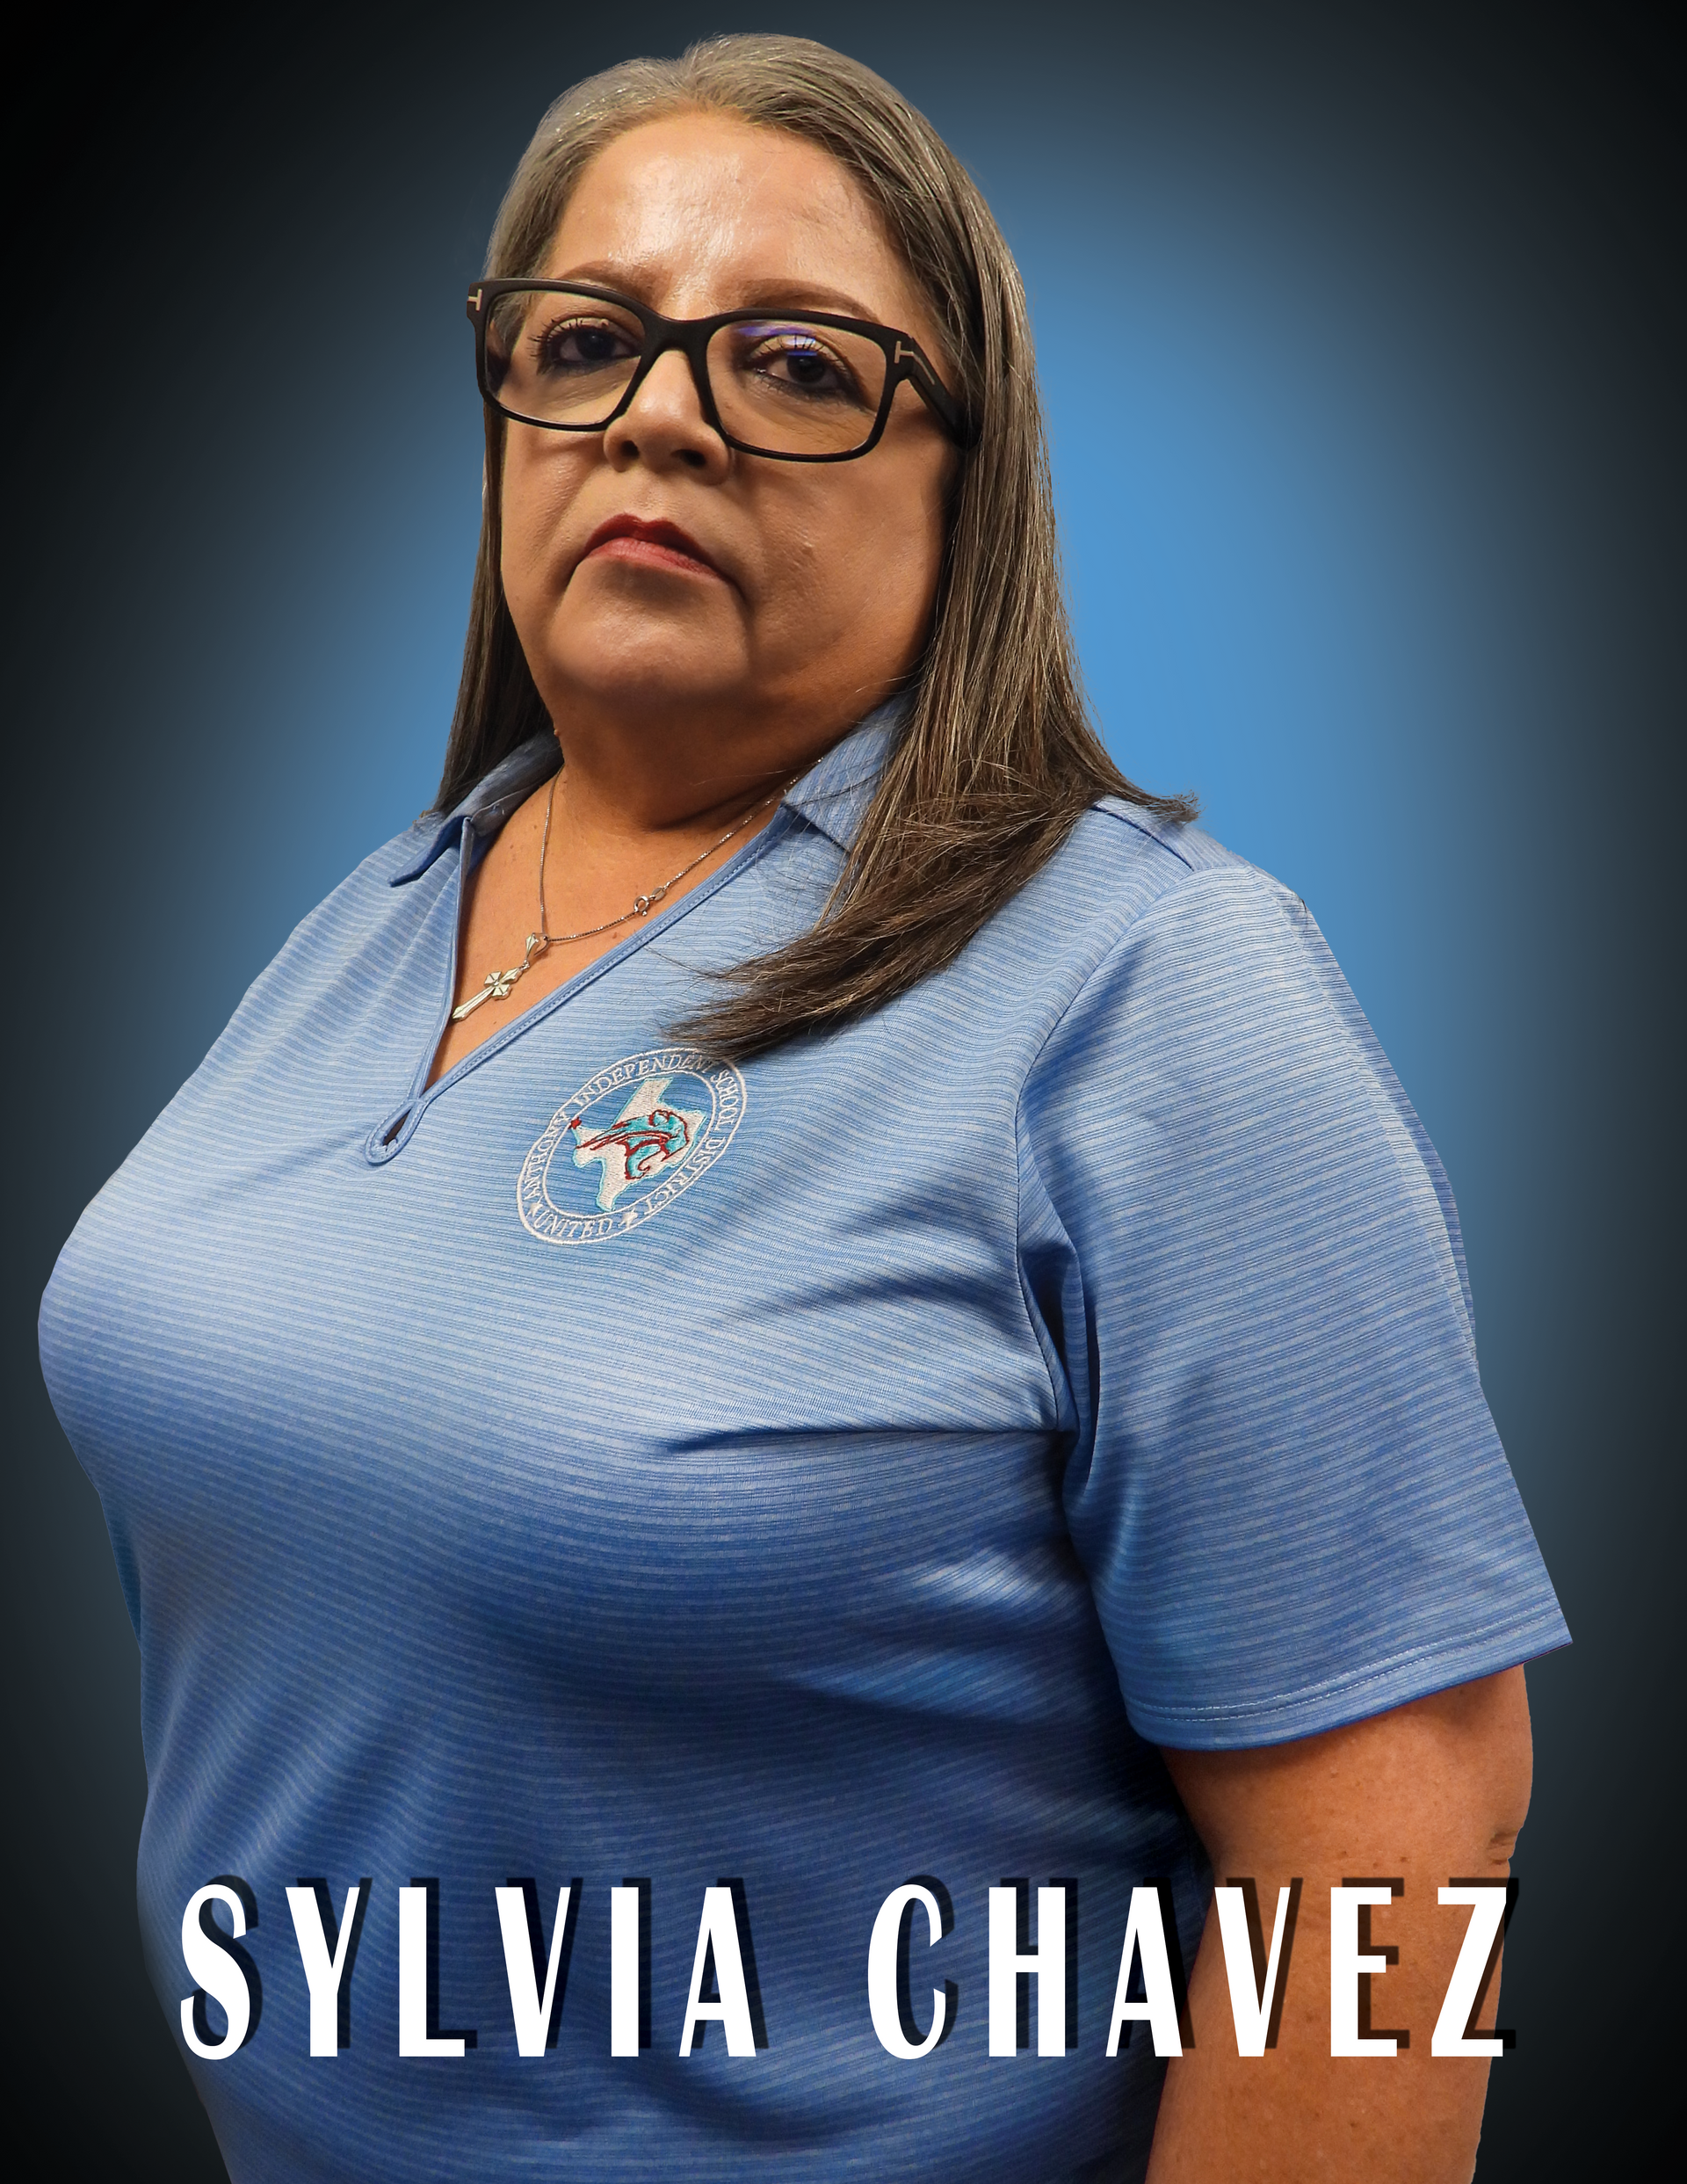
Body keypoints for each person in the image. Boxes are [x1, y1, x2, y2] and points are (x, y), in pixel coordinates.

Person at [38, 33, 1566, 2184]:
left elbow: (1400, 1845)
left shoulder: (1157, 991)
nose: (657, 413)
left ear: (967, 483)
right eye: (587, 343)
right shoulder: (382, 910)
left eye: (793, 365)